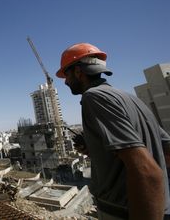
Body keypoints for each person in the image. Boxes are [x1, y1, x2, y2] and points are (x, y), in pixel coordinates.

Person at [56, 43, 170, 220]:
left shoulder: (93, 97)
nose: (65, 81)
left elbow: (147, 171)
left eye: (67, 74)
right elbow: (166, 152)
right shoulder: (131, 99)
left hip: (127, 212)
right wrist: (98, 150)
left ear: (78, 71)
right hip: (159, 208)